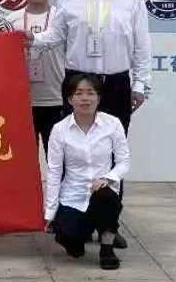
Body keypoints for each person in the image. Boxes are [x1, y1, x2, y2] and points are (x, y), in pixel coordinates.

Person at [29, 0, 151, 249]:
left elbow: (142, 46)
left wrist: (140, 85)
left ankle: (109, 225)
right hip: (78, 84)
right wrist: (32, 40)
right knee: (72, 150)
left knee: (111, 153)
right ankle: (71, 216)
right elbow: (54, 37)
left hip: (116, 84)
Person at [44, 73, 130, 270]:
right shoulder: (59, 130)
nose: (85, 98)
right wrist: (50, 211)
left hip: (101, 190)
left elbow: (123, 162)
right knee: (71, 243)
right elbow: (54, 171)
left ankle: (107, 249)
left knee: (106, 197)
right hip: (73, 195)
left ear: (98, 98)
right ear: (69, 99)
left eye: (90, 93)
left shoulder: (112, 124)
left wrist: (108, 178)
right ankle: (80, 233)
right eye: (79, 93)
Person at [8, 0, 67, 156]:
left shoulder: (62, 18)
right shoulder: (11, 20)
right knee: (24, 161)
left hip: (57, 100)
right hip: (22, 103)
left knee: (59, 162)